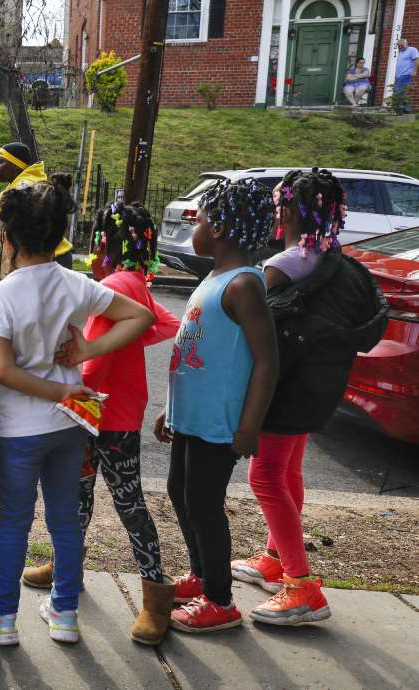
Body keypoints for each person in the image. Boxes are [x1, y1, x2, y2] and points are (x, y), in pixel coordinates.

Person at [0, 175, 154, 647]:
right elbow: (141, 317)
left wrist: (53, 391)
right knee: (64, 521)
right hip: (71, 423)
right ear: (58, 234)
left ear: (10, 237)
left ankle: (4, 620)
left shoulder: (1, 295)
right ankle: (65, 615)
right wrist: (84, 353)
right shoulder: (76, 285)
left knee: (14, 522)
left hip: (18, 428)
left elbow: (2, 370)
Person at [231, 169, 386, 627]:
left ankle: (301, 586)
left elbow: (252, 317)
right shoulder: (334, 257)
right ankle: (275, 559)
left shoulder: (286, 264)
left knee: (264, 477)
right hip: (319, 384)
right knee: (288, 470)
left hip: (289, 384)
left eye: (282, 206)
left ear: (292, 211)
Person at [21, 202, 180, 646]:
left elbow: (93, 364)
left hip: (101, 414)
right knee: (92, 495)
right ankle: (68, 567)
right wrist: (125, 340)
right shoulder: (135, 282)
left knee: (119, 503)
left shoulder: (113, 283)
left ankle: (154, 599)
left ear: (106, 240)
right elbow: (165, 324)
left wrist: (69, 387)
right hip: (118, 413)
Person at [154, 178, 279, 634]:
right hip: (192, 418)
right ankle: (203, 573)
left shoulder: (244, 285)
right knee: (180, 494)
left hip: (220, 424)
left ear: (223, 228)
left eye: (201, 219)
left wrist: (250, 427)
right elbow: (197, 353)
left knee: (205, 504)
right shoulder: (213, 277)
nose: (195, 226)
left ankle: (220, 599)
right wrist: (172, 408)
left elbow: (267, 361)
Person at [395, 38, 417, 113]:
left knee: (400, 92)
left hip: (406, 75)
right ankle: (406, 110)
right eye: (399, 46)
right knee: (402, 92)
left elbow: (417, 60)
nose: (400, 47)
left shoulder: (412, 50)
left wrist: (414, 71)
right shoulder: (400, 53)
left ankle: (403, 109)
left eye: (401, 45)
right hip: (399, 76)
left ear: (406, 44)